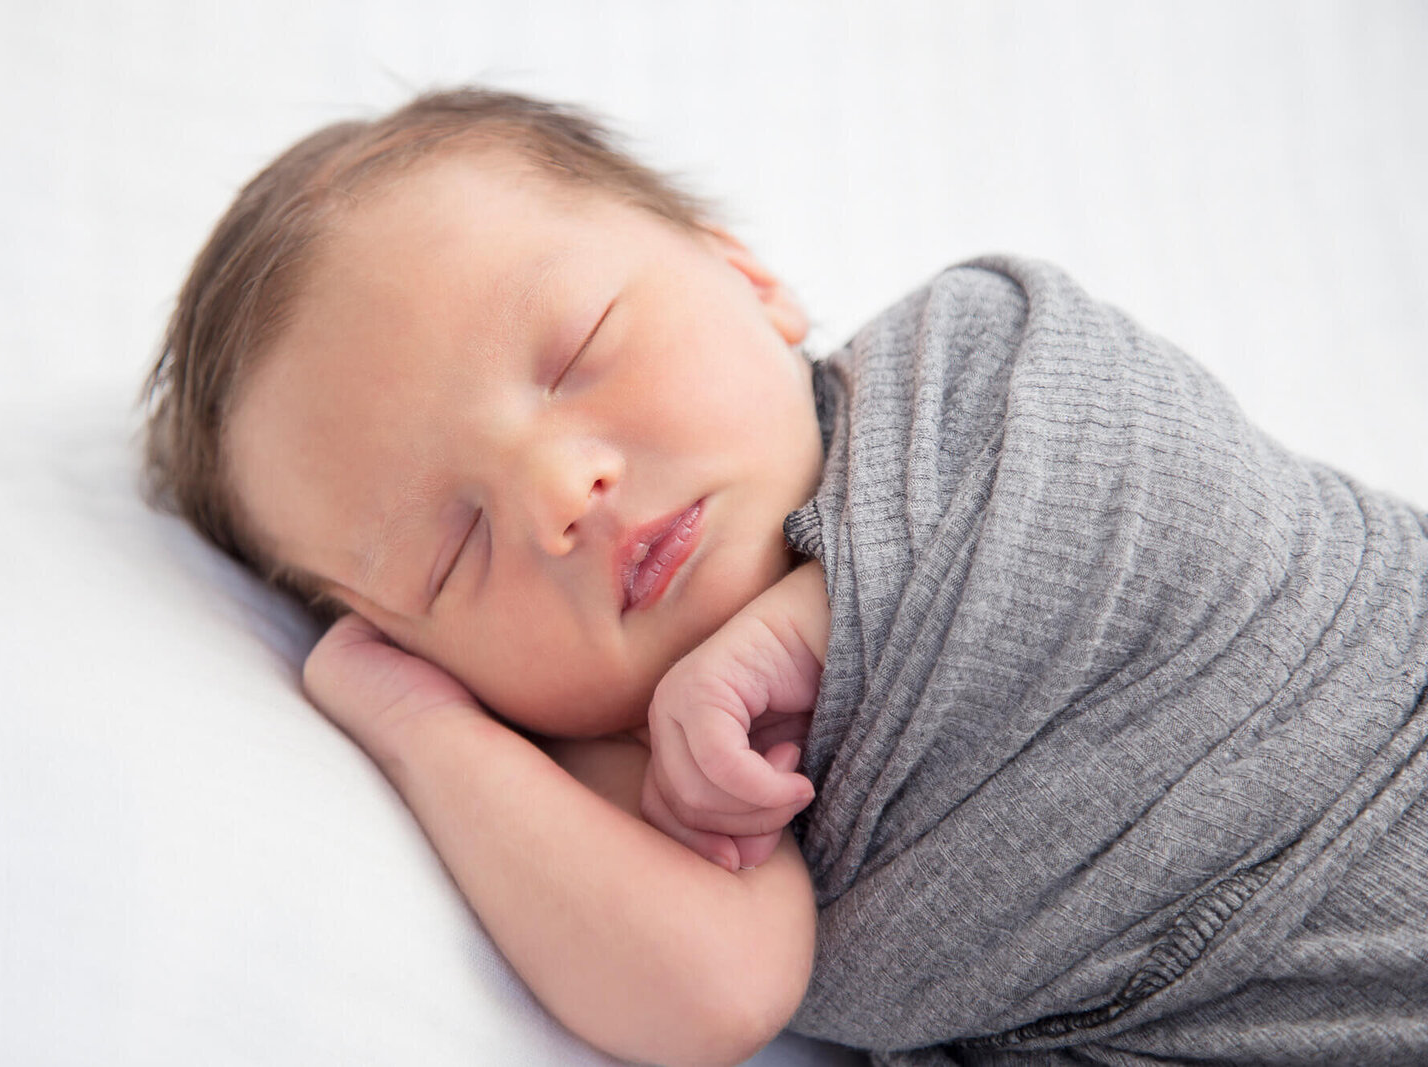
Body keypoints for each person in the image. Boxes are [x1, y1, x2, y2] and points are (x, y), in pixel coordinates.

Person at [144, 88, 1428, 1067]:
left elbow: (1159, 479)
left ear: (747, 279)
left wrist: (809, 620)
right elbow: (717, 989)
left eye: (577, 351)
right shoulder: (624, 769)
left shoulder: (968, 371)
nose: (556, 495)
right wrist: (421, 729)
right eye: (452, 547)